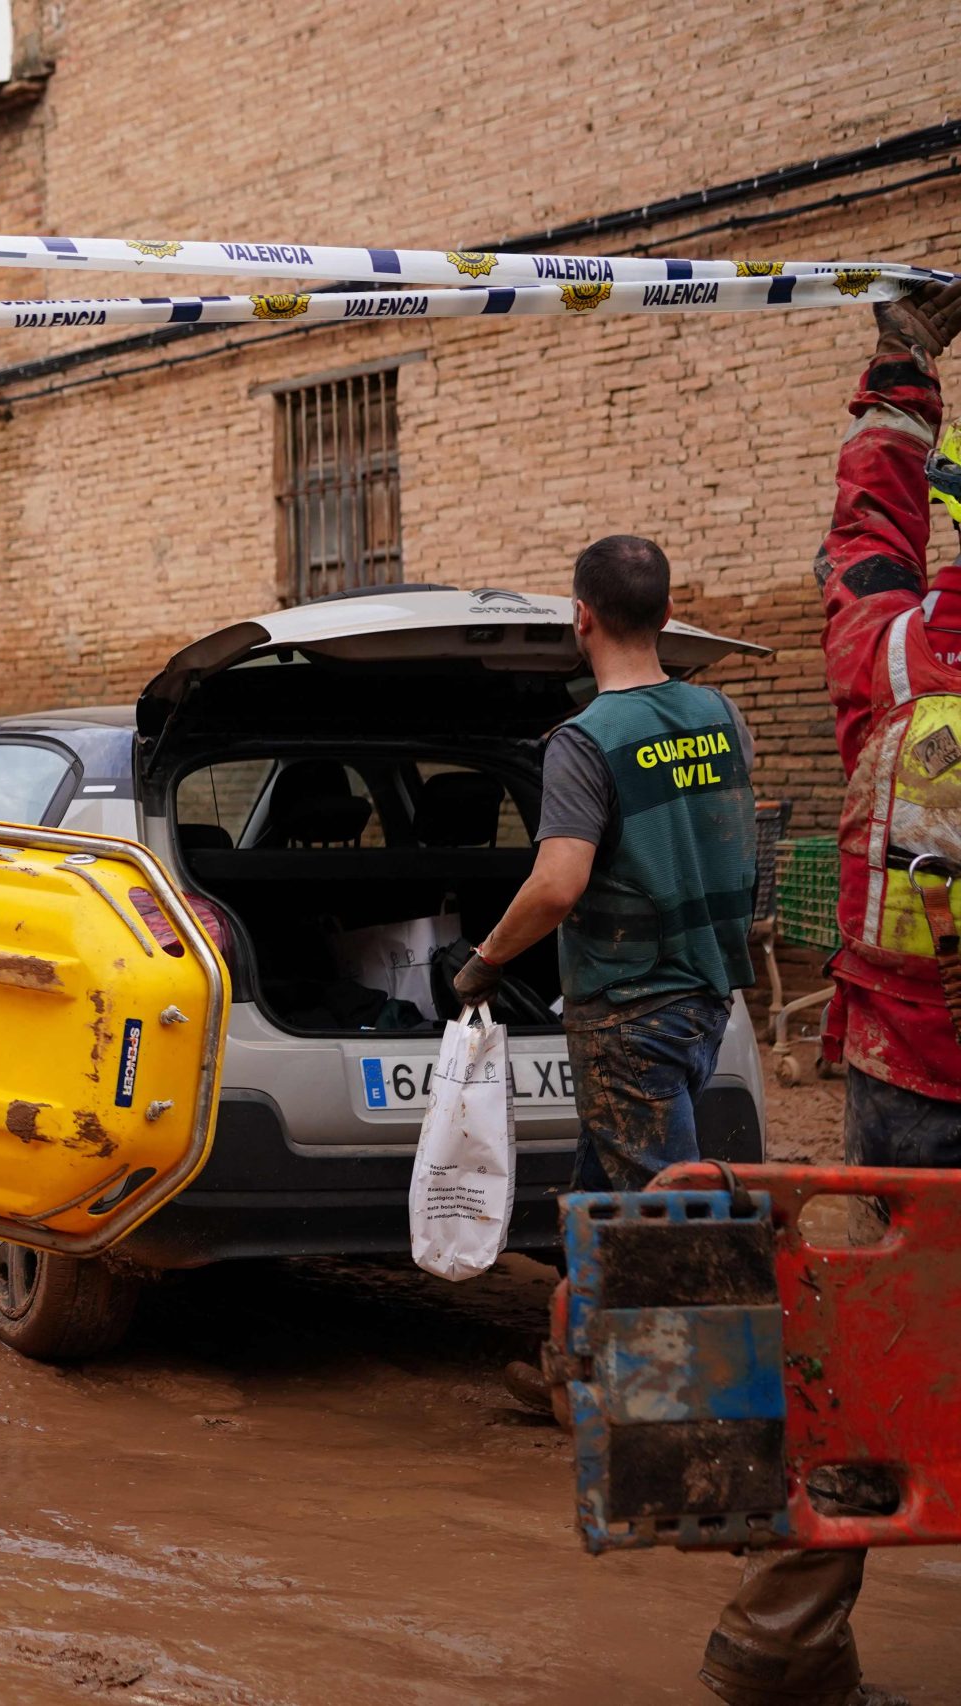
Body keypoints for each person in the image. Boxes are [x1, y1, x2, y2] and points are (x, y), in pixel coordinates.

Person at [695, 273, 961, 1706]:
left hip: (903, 1080)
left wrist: (901, 369)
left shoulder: (891, 651)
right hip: (907, 1064)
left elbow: (871, 521)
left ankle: (780, 1636)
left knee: (876, 1345)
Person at [455, 534, 759, 1193]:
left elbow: (558, 886)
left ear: (582, 616)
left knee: (666, 1223)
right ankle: (585, 1290)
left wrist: (488, 959)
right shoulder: (725, 717)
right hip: (707, 1000)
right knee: (601, 1200)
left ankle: (709, 1298)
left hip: (631, 1015)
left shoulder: (584, 741)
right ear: (668, 610)